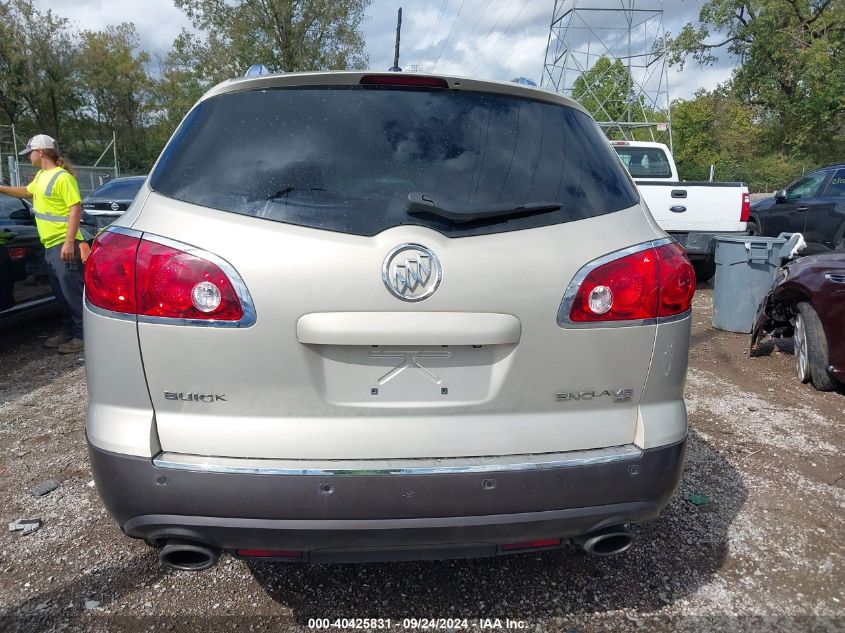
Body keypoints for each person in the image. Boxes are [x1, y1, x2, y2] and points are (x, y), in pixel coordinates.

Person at [0, 134, 85, 353]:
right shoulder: (41, 176)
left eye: (29, 152)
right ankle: (69, 332)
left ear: (40, 152)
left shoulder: (62, 177)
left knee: (71, 293)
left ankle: (81, 335)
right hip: (50, 245)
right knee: (60, 293)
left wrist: (68, 242)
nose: (28, 156)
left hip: (63, 244)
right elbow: (26, 191)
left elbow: (75, 208)